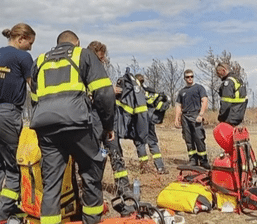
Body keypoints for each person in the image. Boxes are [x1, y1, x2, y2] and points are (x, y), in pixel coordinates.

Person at [30, 31, 115, 224]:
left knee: (51, 184)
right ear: (76, 43)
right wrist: (108, 125)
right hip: (77, 124)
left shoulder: (40, 61)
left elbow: (34, 99)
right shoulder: (83, 54)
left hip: (46, 128)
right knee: (91, 176)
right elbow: (104, 93)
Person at [0, 23, 35, 223]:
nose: (30, 48)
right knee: (16, 170)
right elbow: (33, 86)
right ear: (21, 39)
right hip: (7, 115)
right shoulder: (23, 57)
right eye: (30, 43)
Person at [87, 40, 132, 197]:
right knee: (93, 157)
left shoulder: (101, 73)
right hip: (92, 122)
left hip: (107, 120)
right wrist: (106, 90)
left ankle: (123, 188)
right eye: (101, 58)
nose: (104, 61)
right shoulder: (83, 73)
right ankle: (93, 189)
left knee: (115, 153)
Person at [174, 69, 210, 169]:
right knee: (188, 139)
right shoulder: (182, 92)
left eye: (191, 76)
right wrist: (177, 118)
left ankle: (203, 160)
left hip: (196, 115)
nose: (190, 78)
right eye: (187, 77)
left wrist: (201, 114)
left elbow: (204, 101)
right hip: (185, 117)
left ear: (193, 77)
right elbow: (178, 105)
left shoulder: (199, 88)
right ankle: (193, 160)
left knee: (199, 138)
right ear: (184, 78)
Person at [134, 74, 169, 174]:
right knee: (153, 143)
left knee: (140, 143)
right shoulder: (149, 92)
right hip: (149, 120)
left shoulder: (135, 92)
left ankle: (144, 168)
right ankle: (160, 167)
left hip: (139, 121)